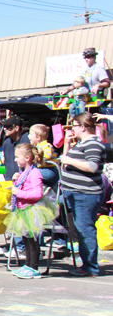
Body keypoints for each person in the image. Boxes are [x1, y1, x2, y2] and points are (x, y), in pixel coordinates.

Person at [59, 112, 105, 277]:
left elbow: (92, 167)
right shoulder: (81, 143)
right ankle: (86, 264)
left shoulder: (93, 144)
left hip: (85, 193)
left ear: (83, 127)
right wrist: (67, 144)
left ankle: (90, 267)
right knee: (79, 228)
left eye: (74, 126)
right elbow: (64, 162)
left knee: (85, 229)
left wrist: (70, 160)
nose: (72, 129)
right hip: (74, 192)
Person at [5, 143, 57, 279]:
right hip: (22, 209)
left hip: (31, 210)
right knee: (26, 239)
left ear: (27, 158)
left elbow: (37, 194)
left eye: (17, 157)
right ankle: (27, 265)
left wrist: (18, 192)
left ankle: (34, 267)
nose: (15, 160)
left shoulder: (35, 173)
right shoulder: (24, 172)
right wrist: (15, 181)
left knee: (32, 240)